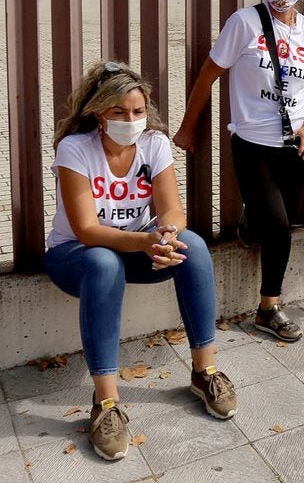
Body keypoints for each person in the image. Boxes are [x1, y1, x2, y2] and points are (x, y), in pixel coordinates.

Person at [44, 61, 237, 462]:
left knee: (194, 246)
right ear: (98, 112)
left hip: (137, 247)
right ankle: (107, 404)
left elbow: (172, 210)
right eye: (118, 112)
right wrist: (146, 241)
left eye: (137, 111)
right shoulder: (75, 149)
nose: (130, 120)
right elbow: (86, 230)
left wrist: (166, 235)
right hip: (75, 257)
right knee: (103, 262)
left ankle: (205, 372)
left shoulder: (154, 143)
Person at [174, 0, 304, 343]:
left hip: (295, 145)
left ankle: (251, 220)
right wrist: (189, 126)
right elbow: (209, 74)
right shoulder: (244, 22)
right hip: (252, 142)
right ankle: (269, 307)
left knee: (279, 220)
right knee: (278, 228)